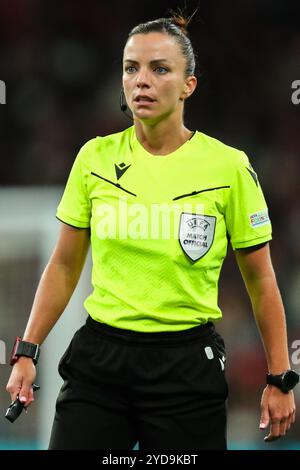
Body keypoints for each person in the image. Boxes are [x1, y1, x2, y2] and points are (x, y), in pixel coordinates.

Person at [6, 12, 298, 450]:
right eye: (131, 68)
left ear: (188, 85)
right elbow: (64, 265)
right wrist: (27, 351)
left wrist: (279, 377)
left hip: (186, 368)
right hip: (99, 363)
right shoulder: (95, 159)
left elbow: (261, 280)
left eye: (160, 69)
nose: (141, 80)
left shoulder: (229, 167)